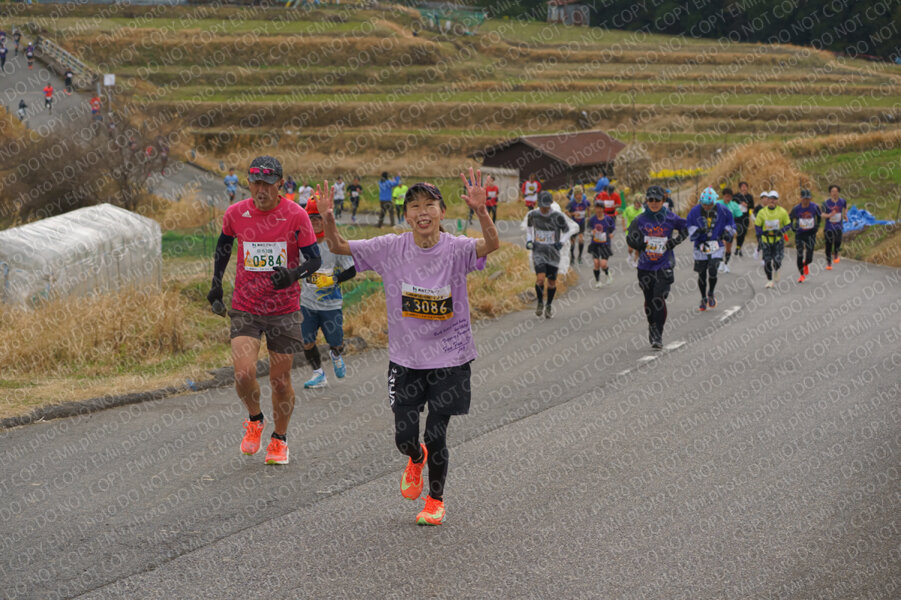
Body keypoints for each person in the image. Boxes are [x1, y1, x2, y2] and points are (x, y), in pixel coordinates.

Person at [319, 169, 500, 526]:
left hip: (450, 357)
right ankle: (415, 458)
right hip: (406, 359)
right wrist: (327, 217)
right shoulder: (391, 247)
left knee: (436, 433)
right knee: (405, 437)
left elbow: (490, 245)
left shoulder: (456, 248)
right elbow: (338, 246)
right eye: (414, 206)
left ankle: (435, 500)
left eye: (430, 205)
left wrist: (482, 210)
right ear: (406, 216)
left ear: (442, 212)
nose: (423, 212)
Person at [206, 155, 321, 465]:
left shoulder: (296, 215)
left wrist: (293, 275)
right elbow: (223, 247)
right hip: (246, 306)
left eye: (268, 184)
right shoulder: (236, 213)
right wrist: (216, 284)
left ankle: (280, 439)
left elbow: (315, 259)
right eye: (256, 183)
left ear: (280, 184)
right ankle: (255, 419)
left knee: (280, 381)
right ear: (248, 183)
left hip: (284, 308)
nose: (261, 190)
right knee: (243, 373)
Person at [298, 199, 356, 389]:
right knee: (307, 342)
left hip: (331, 304)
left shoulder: (334, 243)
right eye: (311, 218)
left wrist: (333, 279)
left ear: (325, 220)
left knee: (336, 343)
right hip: (307, 303)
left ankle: (336, 354)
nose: (315, 222)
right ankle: (318, 374)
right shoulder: (301, 243)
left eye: (319, 218)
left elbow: (352, 270)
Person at [626, 185, 688, 349]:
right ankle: (652, 325)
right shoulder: (640, 220)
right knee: (649, 299)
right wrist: (639, 244)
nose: (654, 203)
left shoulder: (670, 217)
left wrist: (674, 241)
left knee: (658, 298)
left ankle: (658, 334)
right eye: (651, 200)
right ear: (647, 201)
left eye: (657, 200)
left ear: (663, 200)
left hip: (664, 264)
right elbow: (630, 238)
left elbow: (687, 227)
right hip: (645, 266)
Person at [687, 187, 735, 311]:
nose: (707, 207)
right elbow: (689, 225)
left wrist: (727, 232)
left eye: (709, 204)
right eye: (704, 204)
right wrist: (697, 231)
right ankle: (703, 297)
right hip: (701, 245)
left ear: (714, 201)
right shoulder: (695, 211)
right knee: (702, 274)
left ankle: (711, 293)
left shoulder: (723, 210)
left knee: (713, 269)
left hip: (716, 244)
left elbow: (731, 223)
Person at [526, 191, 569, 318]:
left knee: (551, 283)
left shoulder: (557, 216)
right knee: (540, 279)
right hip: (538, 251)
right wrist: (529, 240)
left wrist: (561, 242)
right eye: (542, 206)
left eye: (546, 206)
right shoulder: (533, 215)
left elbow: (567, 231)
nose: (544, 209)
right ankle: (540, 302)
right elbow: (529, 228)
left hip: (553, 254)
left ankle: (549, 305)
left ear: (550, 204)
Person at [754, 191, 791, 288]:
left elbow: (788, 224)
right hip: (766, 240)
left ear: (777, 201)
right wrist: (762, 232)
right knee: (767, 261)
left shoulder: (782, 211)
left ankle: (777, 269)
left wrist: (781, 231)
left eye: (774, 199)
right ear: (767, 200)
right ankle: (770, 280)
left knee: (777, 261)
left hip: (778, 240)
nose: (772, 201)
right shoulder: (762, 212)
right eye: (770, 199)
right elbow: (757, 226)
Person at [790, 189, 821, 283]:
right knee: (800, 254)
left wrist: (817, 226)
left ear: (810, 198)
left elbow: (819, 217)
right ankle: (801, 275)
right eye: (804, 199)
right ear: (801, 198)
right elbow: (790, 218)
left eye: (808, 199)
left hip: (811, 234)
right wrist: (792, 227)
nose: (806, 201)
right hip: (800, 234)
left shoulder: (814, 207)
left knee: (810, 257)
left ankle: (806, 263)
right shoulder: (796, 209)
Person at [587, 199, 616, 287]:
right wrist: (592, 232)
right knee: (596, 263)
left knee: (603, 264)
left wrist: (612, 234)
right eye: (597, 208)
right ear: (595, 209)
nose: (598, 210)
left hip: (605, 244)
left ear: (603, 209)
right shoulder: (592, 219)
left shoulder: (608, 219)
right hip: (595, 243)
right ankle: (598, 281)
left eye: (600, 208)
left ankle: (608, 274)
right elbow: (588, 229)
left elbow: (613, 229)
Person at [822, 184, 847, 269]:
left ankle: (836, 253)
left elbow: (845, 207)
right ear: (830, 193)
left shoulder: (842, 201)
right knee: (828, 245)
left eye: (836, 191)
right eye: (833, 191)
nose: (834, 193)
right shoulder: (826, 203)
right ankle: (829, 263)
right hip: (828, 227)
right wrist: (829, 215)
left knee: (838, 241)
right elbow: (822, 214)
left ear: (838, 192)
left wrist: (845, 214)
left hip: (838, 226)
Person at [719, 187, 743, 272]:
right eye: (726, 196)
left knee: (728, 248)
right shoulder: (718, 204)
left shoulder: (734, 205)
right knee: (721, 245)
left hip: (730, 228)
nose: (728, 198)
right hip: (719, 228)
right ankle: (721, 262)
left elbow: (739, 216)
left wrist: (736, 227)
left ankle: (726, 264)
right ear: (723, 196)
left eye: (730, 197)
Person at [566, 185, 590, 265]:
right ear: (575, 195)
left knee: (581, 239)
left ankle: (580, 256)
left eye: (581, 194)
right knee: (572, 242)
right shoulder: (571, 203)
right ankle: (572, 257)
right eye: (578, 194)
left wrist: (588, 217)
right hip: (573, 224)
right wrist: (573, 214)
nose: (580, 196)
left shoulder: (585, 202)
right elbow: (566, 212)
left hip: (581, 223)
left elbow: (588, 208)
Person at [732, 181, 754, 256]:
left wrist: (747, 205)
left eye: (745, 187)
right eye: (742, 187)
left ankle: (739, 247)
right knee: (739, 232)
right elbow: (731, 204)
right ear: (740, 188)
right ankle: (738, 247)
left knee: (744, 233)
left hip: (745, 217)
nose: (744, 188)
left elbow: (752, 206)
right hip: (737, 217)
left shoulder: (749, 196)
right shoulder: (735, 196)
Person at [622, 194, 644, 267]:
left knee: (638, 248)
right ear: (634, 203)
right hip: (630, 230)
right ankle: (630, 255)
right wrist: (624, 226)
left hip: (639, 231)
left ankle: (634, 261)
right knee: (630, 248)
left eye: (640, 204)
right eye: (637, 203)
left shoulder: (643, 210)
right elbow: (623, 217)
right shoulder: (628, 209)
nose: (638, 205)